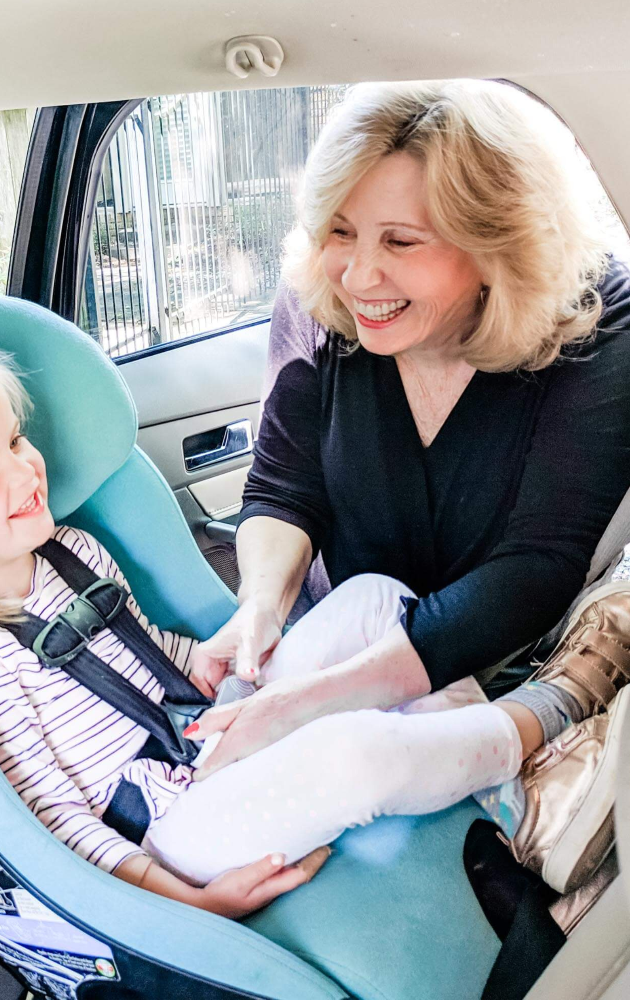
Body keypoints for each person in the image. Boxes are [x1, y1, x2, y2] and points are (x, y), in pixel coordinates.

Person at [0, 335, 628, 916]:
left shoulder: (68, 549)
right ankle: (531, 749)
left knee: (373, 598)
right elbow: (54, 821)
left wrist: (215, 663)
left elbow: (148, 659)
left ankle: (478, 772)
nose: (23, 470)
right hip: (170, 828)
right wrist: (187, 901)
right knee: (348, 756)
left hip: (202, 729)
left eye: (14, 440)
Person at [184, 81, 630, 860]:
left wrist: (310, 704)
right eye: (341, 231)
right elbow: (282, 488)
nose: (358, 276)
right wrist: (259, 610)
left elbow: (535, 566)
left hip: (497, 661)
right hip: (343, 633)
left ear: (497, 246)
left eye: (401, 242)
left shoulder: (597, 318)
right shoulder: (324, 300)